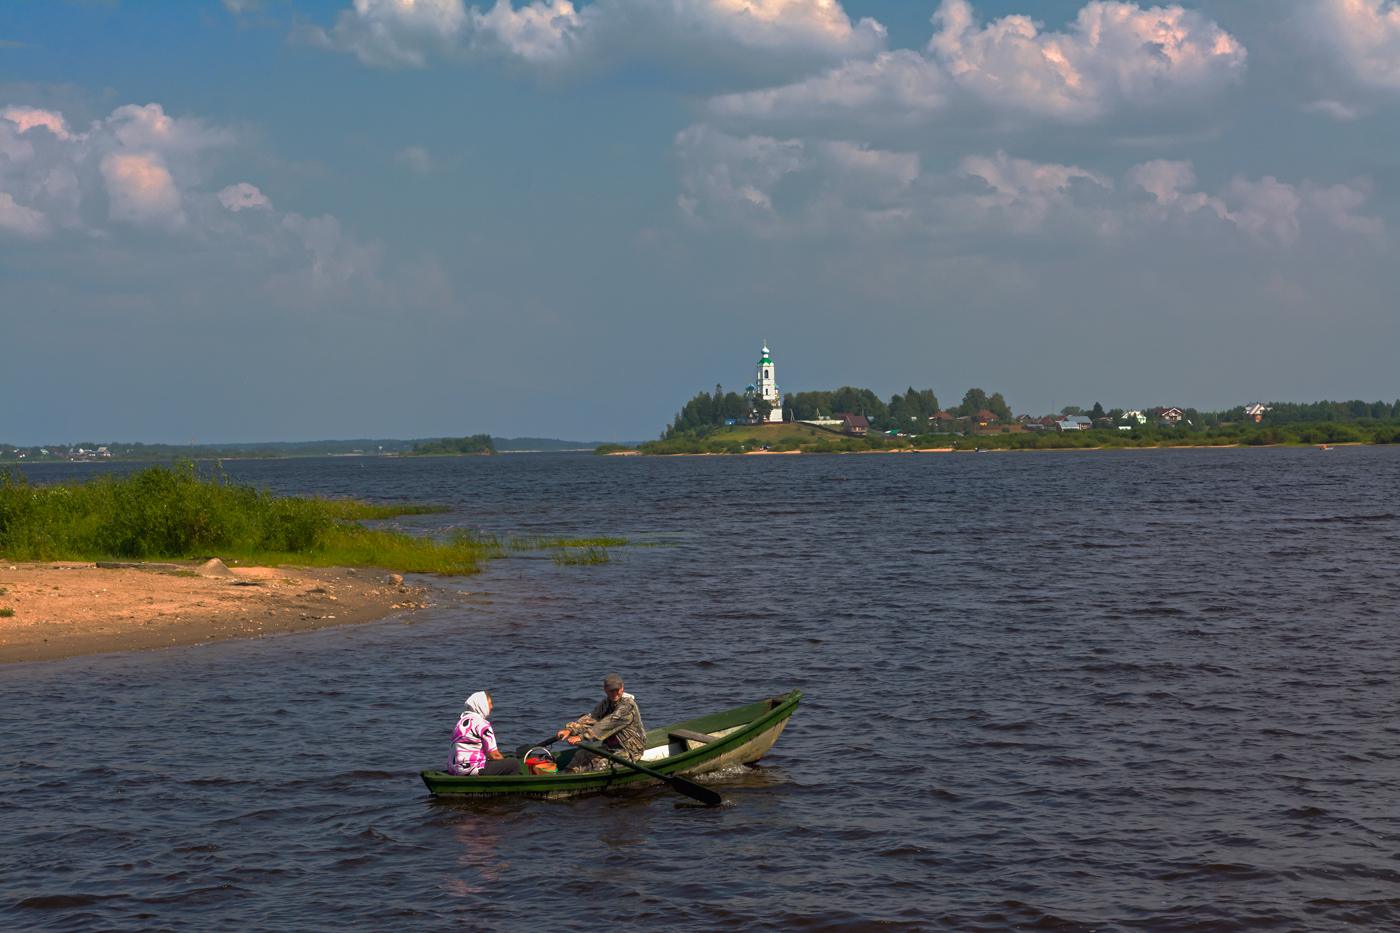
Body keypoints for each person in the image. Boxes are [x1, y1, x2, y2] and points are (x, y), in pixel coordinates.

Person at [557, 673, 647, 773]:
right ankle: (569, 776)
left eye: (617, 690)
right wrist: (569, 730)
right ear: (605, 690)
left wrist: (581, 737)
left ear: (622, 687)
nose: (615, 693)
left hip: (629, 750)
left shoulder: (627, 706)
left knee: (600, 766)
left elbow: (607, 725)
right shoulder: (605, 704)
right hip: (609, 748)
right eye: (611, 690)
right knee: (580, 756)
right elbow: (590, 719)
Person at [448, 691, 520, 776]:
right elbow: (494, 755)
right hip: (472, 768)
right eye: (489, 704)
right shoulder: (482, 724)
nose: (491, 707)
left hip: (454, 768)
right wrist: (503, 762)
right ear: (482, 705)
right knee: (514, 764)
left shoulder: (461, 722)